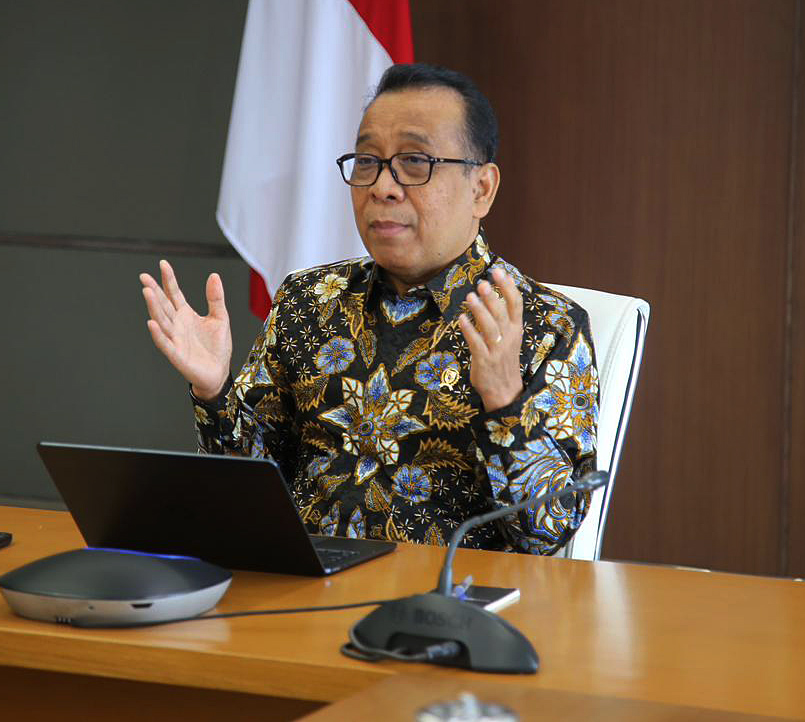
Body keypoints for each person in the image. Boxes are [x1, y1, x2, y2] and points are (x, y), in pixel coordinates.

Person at [139, 63, 597, 554]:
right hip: (305, 586)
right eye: (367, 161)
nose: (382, 186)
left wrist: (505, 401)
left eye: (415, 161)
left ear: (481, 188)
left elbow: (545, 532)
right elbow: (248, 493)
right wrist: (214, 392)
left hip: (449, 596)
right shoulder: (309, 300)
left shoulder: (546, 326)